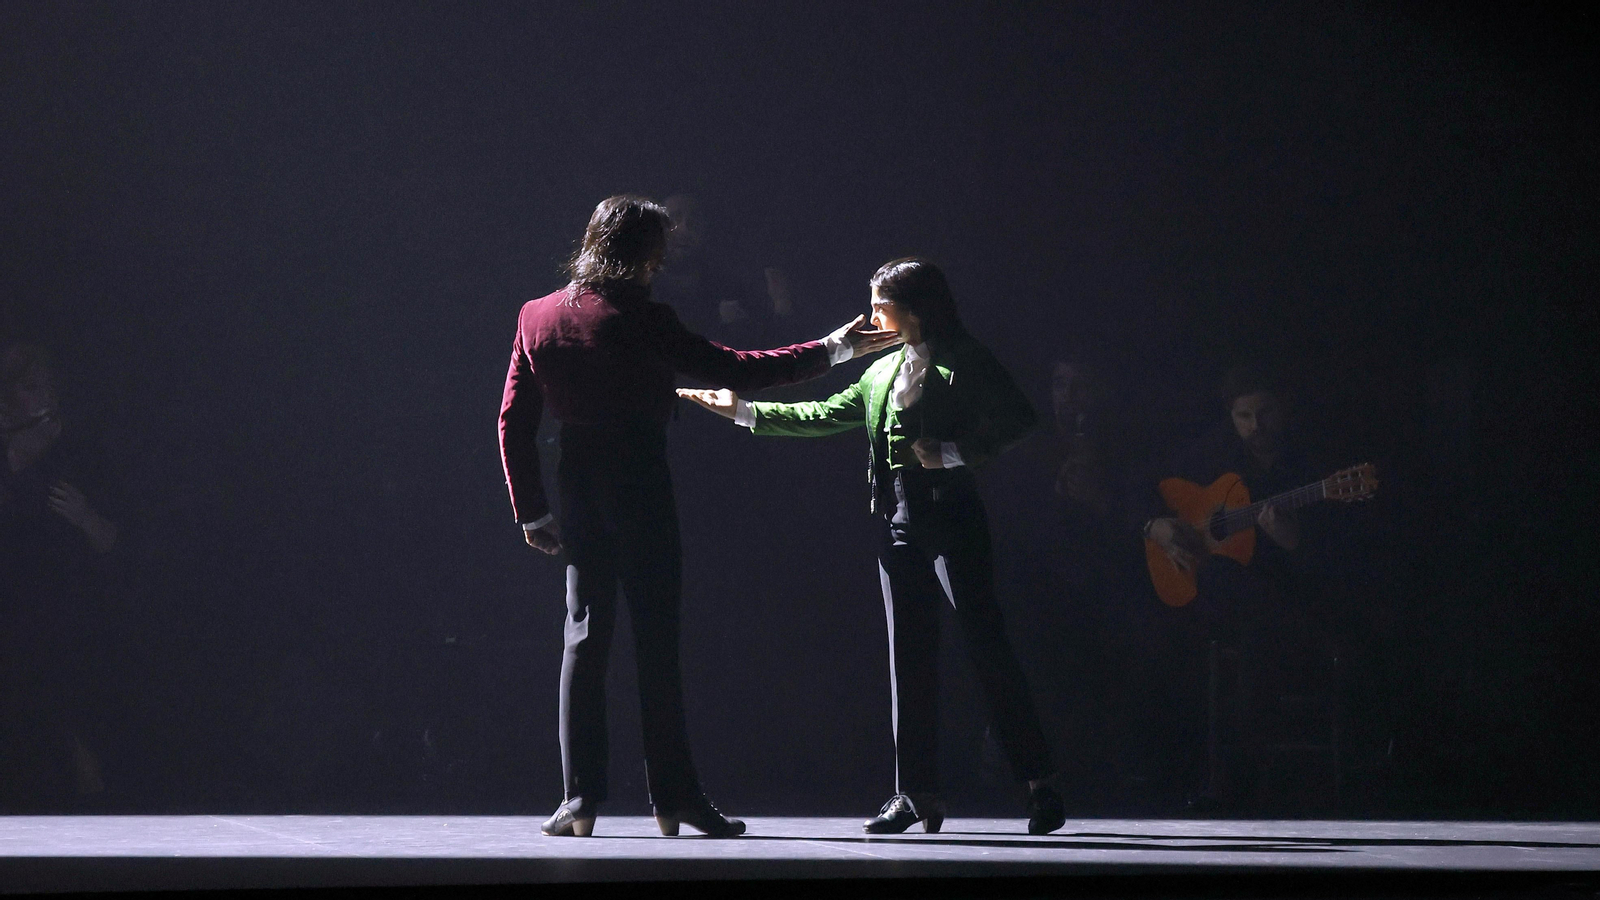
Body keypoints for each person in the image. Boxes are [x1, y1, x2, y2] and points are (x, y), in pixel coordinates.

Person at [498, 196, 898, 838]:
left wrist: (532, 509)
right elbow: (735, 369)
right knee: (656, 640)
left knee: (584, 636)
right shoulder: (644, 318)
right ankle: (675, 798)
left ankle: (578, 801)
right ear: (643, 255)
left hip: (578, 484)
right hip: (639, 480)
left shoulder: (537, 315)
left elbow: (514, 420)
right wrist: (834, 349)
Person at [678, 257, 1068, 835]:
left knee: (986, 646)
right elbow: (823, 413)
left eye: (880, 303)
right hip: (897, 519)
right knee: (906, 658)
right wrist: (742, 410)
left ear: (913, 310)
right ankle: (915, 793)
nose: (871, 314)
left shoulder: (964, 358)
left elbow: (1019, 419)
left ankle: (1039, 783)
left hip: (951, 516)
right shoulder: (882, 370)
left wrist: (955, 450)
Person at [1138, 363, 1322, 808]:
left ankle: (1239, 784)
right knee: (1151, 634)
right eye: (1244, 416)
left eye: (1265, 413)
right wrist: (1154, 525)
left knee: (1262, 632)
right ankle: (1159, 776)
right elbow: (1145, 483)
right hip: (1211, 594)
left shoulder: (1307, 464)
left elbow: (1332, 559)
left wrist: (1296, 542)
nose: (1256, 427)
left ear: (1283, 409)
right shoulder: (1213, 453)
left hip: (1283, 598)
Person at [0, 343, 123, 808]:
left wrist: (85, 515)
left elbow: (113, 543)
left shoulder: (82, 452)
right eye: (25, 388)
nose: (41, 396)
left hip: (67, 609)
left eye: (42, 385)